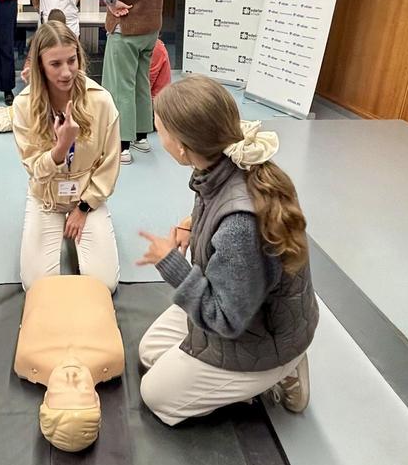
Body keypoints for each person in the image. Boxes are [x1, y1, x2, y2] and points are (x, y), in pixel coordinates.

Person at [134, 75, 317, 426]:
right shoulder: (226, 162)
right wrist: (193, 223)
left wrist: (171, 263)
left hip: (257, 336)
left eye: (160, 130)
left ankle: (283, 369)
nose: (158, 135)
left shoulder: (239, 225)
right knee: (150, 353)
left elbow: (226, 319)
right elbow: (222, 210)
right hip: (251, 311)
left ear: (182, 147)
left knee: (156, 396)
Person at [13, 20, 121, 292]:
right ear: (40, 66)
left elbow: (109, 164)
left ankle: (82, 223)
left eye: (71, 60)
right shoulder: (24, 105)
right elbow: (36, 170)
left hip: (86, 196)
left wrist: (84, 208)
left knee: (105, 284)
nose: (66, 72)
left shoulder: (101, 101)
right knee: (35, 285)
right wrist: (60, 148)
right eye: (55, 64)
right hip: (46, 197)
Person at [99, 0, 184, 165]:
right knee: (141, 83)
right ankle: (141, 136)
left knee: (121, 86)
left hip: (126, 30)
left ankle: (122, 145)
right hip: (150, 31)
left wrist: (112, 3)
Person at [14, 275, 125, 452]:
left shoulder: (27, 358)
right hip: (97, 280)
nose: (71, 376)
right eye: (82, 389)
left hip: (41, 280)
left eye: (62, 388)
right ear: (96, 398)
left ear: (46, 397)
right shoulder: (113, 357)